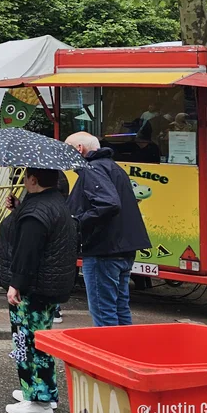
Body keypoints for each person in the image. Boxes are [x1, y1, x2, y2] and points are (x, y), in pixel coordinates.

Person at [0, 167, 78, 413]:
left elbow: (27, 251)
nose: (23, 181)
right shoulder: (53, 203)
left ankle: (39, 401)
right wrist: (19, 207)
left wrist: (15, 284)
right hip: (48, 287)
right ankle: (40, 391)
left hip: (32, 288)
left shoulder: (36, 212)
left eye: (26, 177)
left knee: (28, 341)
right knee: (38, 339)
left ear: (33, 179)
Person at [64, 132, 152, 327]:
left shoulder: (91, 169)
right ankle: (125, 353)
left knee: (104, 313)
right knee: (120, 308)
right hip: (123, 248)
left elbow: (109, 204)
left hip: (103, 250)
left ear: (79, 149)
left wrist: (78, 222)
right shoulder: (114, 167)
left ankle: (109, 354)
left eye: (67, 148)